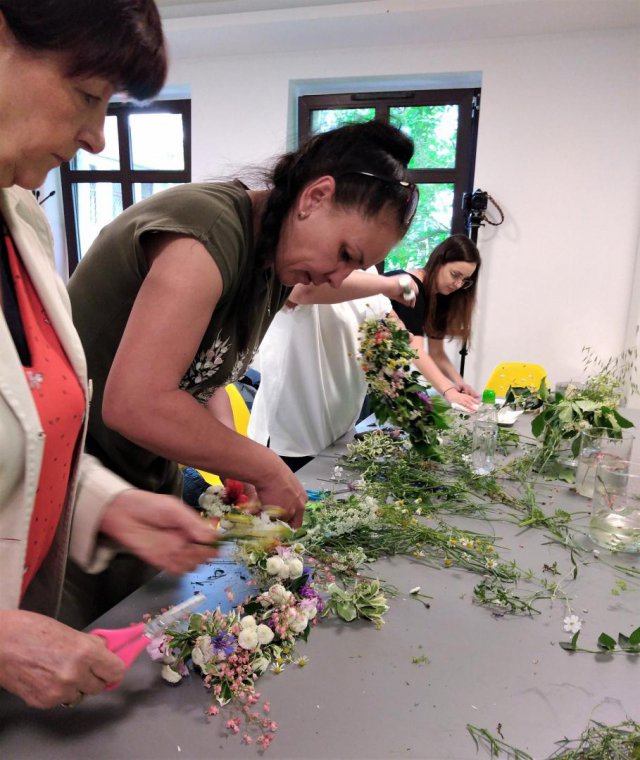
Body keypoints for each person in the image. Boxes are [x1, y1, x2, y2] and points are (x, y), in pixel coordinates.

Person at [66, 120, 418, 605]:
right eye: (344, 254)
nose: (337, 279)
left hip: (139, 493)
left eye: (353, 268)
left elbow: (200, 376)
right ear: (315, 197)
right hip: (71, 495)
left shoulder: (273, 261)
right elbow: (135, 402)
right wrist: (267, 466)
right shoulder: (206, 235)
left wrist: (232, 462)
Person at [0, 0, 221, 709]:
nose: (98, 138)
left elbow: (29, 426)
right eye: (88, 95)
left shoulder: (22, 224)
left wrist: (108, 503)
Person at [248, 268, 417, 471]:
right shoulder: (311, 263)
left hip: (341, 426)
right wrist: (391, 284)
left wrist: (397, 334)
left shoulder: (368, 271)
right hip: (291, 434)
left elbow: (387, 317)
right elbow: (302, 291)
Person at [386, 234, 481, 411]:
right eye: (455, 275)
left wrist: (459, 384)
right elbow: (415, 350)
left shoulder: (440, 297)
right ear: (439, 261)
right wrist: (449, 391)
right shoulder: (411, 287)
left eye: (464, 280)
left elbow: (437, 354)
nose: (458, 284)